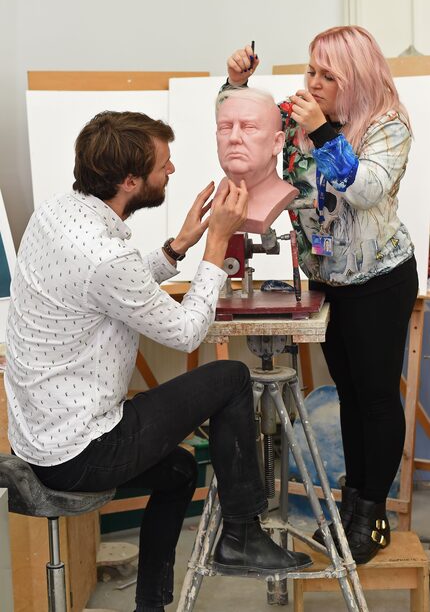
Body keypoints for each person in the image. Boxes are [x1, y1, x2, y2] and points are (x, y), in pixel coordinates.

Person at [5, 110, 311, 612]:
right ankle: (240, 535)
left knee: (176, 471)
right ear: (130, 181)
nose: (171, 171)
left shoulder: (58, 213)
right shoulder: (105, 255)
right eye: (162, 165)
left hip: (43, 439)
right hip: (82, 453)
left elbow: (108, 290)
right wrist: (215, 248)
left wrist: (178, 248)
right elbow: (187, 331)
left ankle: (152, 605)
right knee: (232, 377)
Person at [225, 26, 418, 564]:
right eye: (311, 70)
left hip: (380, 279)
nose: (312, 82)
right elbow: (241, 136)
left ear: (353, 78)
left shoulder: (388, 125)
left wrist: (328, 132)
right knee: (350, 395)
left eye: (327, 75)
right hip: (329, 279)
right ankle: (355, 505)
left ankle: (371, 514)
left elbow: (365, 189)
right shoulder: (297, 116)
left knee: (376, 397)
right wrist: (233, 83)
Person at [215, 88, 298, 233]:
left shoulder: (282, 195)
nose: (234, 137)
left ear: (277, 142)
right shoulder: (221, 195)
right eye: (225, 127)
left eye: (249, 127)